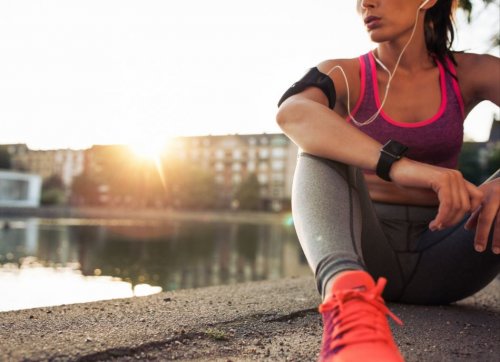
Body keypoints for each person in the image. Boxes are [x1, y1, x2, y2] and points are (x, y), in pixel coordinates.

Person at [275, 0, 500, 361]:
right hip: (365, 252)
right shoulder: (343, 73)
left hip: (452, 258)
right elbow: (291, 113)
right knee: (318, 141)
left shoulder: (470, 72)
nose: (366, 3)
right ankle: (349, 312)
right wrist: (401, 166)